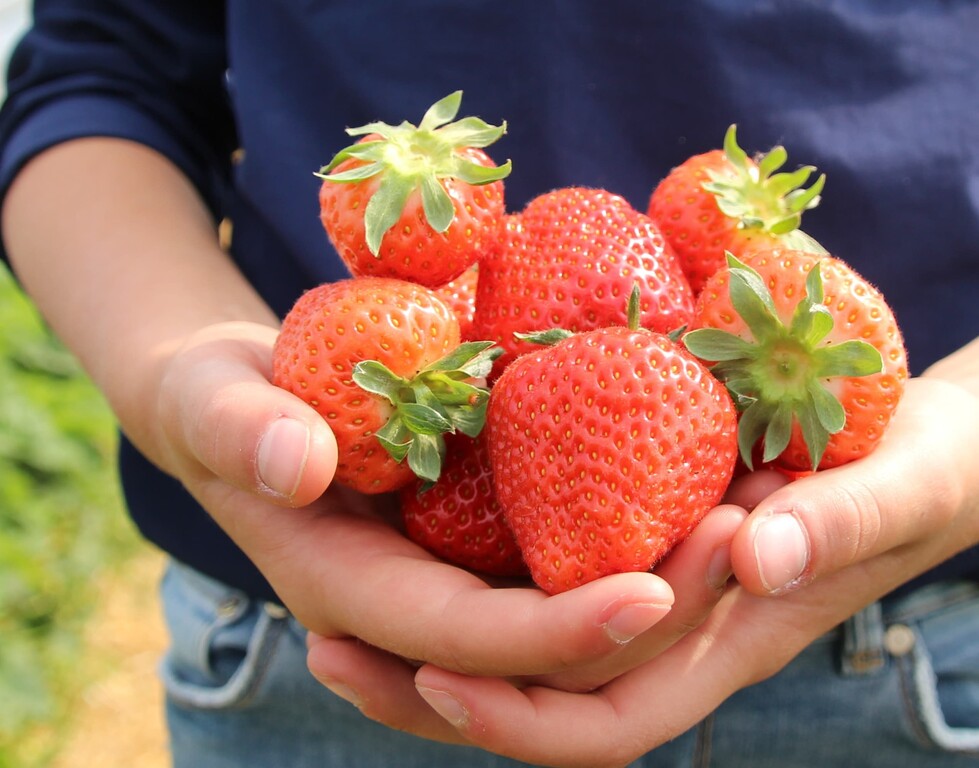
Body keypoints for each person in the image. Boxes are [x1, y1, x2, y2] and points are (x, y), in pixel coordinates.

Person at [1, 2, 977, 767]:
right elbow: (98, 71)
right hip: (317, 637)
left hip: (906, 659)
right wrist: (176, 369)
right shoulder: (522, 369)